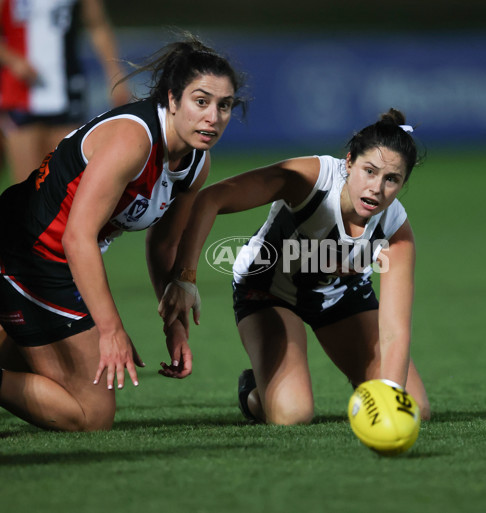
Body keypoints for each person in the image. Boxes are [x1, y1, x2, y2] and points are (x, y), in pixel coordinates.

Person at [0, 35, 247, 431]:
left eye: (224, 105)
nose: (213, 116)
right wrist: (110, 329)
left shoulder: (195, 162)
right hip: (25, 255)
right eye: (201, 101)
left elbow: (164, 243)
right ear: (172, 98)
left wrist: (174, 326)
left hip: (51, 262)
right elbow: (77, 236)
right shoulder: (133, 140)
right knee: (91, 413)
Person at [159, 108, 432, 425]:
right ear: (348, 162)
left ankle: (349, 387)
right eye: (369, 171)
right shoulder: (310, 180)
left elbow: (395, 331)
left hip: (339, 296)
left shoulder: (395, 230)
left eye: (391, 179)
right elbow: (211, 199)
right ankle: (254, 392)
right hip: (268, 293)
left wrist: (390, 395)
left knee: (412, 409)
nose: (376, 187)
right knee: (293, 415)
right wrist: (185, 278)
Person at [0, 0, 131, 185]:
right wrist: (13, 61)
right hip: (21, 93)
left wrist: (115, 75)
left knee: (63, 183)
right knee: (26, 188)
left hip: (67, 90)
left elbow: (98, 25)